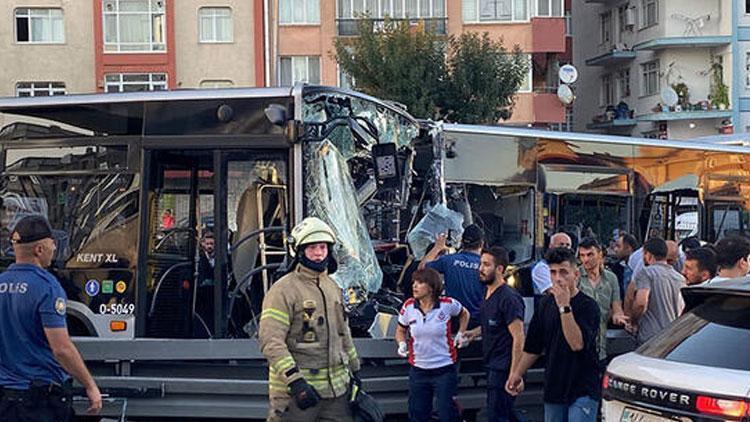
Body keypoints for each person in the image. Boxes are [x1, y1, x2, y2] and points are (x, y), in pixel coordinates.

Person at [0, 215, 102, 421]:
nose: (54, 249)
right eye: (52, 244)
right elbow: (61, 349)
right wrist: (90, 386)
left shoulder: (1, 282)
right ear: (39, 250)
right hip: (40, 400)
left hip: (5, 397)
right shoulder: (47, 287)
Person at [259, 217, 359, 422]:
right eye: (312, 247)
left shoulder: (333, 287)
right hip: (296, 396)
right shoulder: (283, 290)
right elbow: (271, 341)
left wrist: (355, 370)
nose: (318, 253)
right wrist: (295, 383)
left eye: (322, 247)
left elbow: (344, 333)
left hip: (336, 394)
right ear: (299, 251)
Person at [506, 248, 600, 422]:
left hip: (582, 387)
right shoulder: (544, 304)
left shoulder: (588, 306)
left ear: (576, 274)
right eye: (553, 272)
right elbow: (534, 346)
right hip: (554, 385)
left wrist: (564, 306)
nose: (558, 278)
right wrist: (517, 373)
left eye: (564, 272)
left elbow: (577, 344)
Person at [396, 268, 470, 422]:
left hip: (444, 368)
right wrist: (402, 344)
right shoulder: (408, 306)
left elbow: (465, 313)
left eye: (420, 283)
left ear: (431, 287)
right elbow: (400, 330)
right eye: (414, 282)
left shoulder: (447, 304)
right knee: (418, 413)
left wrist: (461, 333)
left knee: (447, 413)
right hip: (418, 370)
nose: (414, 286)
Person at [464, 246, 525, 422]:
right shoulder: (487, 293)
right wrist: (473, 333)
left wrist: (515, 373)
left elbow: (519, 337)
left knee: (497, 415)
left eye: (486, 265)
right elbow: (493, 324)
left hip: (504, 367)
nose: (480, 269)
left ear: (499, 269)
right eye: (480, 264)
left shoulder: (509, 298)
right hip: (492, 363)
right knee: (503, 413)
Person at [420, 224, 485, 328]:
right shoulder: (486, 265)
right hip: (477, 324)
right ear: (481, 244)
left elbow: (422, 269)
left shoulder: (448, 260)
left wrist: (437, 247)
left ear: (462, 242)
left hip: (453, 321)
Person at [576, 238, 628, 366]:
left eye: (590, 254)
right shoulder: (576, 276)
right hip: (579, 342)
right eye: (582, 255)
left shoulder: (611, 278)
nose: (586, 259)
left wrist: (618, 316)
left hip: (600, 345)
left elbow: (617, 306)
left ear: (600, 254)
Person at [627, 238, 685, 346]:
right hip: (672, 337)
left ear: (648, 255)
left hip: (650, 337)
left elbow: (640, 303)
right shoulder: (680, 278)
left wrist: (633, 321)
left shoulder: (646, 273)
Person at [610, 233, 638, 299]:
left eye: (618, 246)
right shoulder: (617, 267)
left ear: (628, 248)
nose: (615, 249)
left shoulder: (638, 267)